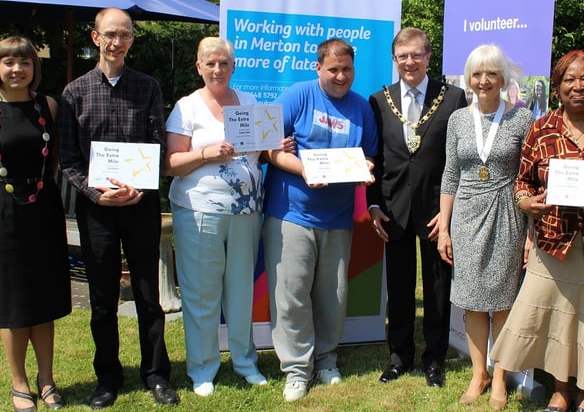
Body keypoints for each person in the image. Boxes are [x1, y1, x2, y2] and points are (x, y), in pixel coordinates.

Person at [490, 50, 584, 412]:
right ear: (557, 88)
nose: (578, 86)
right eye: (569, 80)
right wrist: (525, 203)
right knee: (553, 316)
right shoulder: (541, 129)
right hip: (552, 243)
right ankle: (560, 389)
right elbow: (522, 181)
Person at [57, 8, 179, 408]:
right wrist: (96, 196)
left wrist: (141, 187)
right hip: (98, 210)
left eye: (125, 35)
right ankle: (107, 378)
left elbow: (157, 143)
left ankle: (157, 374)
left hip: (141, 204)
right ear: (95, 38)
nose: (117, 42)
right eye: (110, 35)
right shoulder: (75, 92)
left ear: (131, 40)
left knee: (148, 294)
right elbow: (69, 159)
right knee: (102, 298)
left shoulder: (148, 87)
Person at [0, 36, 71, 412]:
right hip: (2, 213)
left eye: (24, 62)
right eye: (9, 63)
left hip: (43, 209)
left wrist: (37, 189)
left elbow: (52, 160)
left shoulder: (47, 106)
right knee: (13, 298)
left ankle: (47, 378)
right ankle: (19, 382)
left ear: (35, 68)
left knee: (45, 295)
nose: (17, 69)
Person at [263, 38, 378, 402]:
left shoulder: (362, 107)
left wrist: (365, 170)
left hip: (338, 217)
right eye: (333, 69)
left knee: (333, 295)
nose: (341, 76)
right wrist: (304, 169)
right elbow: (268, 149)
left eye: (346, 69)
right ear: (318, 68)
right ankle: (297, 369)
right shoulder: (297, 95)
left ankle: (327, 359)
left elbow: (370, 156)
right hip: (291, 211)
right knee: (291, 294)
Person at [163, 37, 279, 396]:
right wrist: (205, 153)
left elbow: (263, 150)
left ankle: (245, 361)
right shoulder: (186, 108)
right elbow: (171, 164)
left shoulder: (250, 102)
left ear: (233, 66)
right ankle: (202, 368)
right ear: (199, 67)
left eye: (224, 63)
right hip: (199, 211)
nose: (217, 69)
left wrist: (278, 146)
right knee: (202, 292)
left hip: (245, 211)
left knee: (241, 288)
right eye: (210, 63)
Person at [367, 27, 467, 388]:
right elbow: (373, 158)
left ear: (428, 57)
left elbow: (461, 158)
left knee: (438, 288)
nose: (409, 62)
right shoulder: (378, 101)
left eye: (416, 55)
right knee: (399, 286)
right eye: (402, 56)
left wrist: (452, 211)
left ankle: (435, 359)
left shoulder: (454, 98)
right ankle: (400, 356)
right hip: (394, 209)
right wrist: (374, 203)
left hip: (437, 208)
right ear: (394, 61)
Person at [437, 45, 533, 409]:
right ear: (469, 79)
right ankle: (479, 373)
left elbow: (530, 177)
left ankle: (501, 377)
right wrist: (444, 228)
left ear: (503, 78)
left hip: (507, 215)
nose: (484, 80)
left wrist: (532, 233)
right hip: (465, 217)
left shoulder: (521, 119)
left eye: (491, 73)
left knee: (503, 302)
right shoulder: (459, 120)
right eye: (477, 74)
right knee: (473, 302)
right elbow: (450, 175)